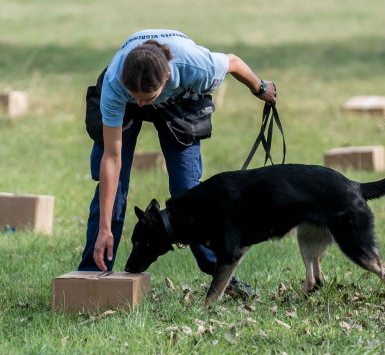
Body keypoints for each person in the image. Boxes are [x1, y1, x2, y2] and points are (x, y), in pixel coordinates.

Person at [79, 29, 276, 298]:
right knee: (114, 189)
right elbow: (112, 158)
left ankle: (219, 272)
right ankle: (91, 277)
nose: (139, 104)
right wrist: (105, 228)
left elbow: (233, 62)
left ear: (167, 77)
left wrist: (260, 88)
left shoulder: (196, 65)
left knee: (187, 190)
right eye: (134, 96)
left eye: (145, 99)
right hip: (133, 86)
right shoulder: (116, 84)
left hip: (178, 98)